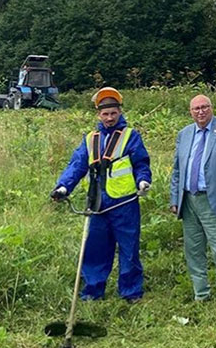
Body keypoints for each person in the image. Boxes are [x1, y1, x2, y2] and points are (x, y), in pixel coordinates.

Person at [50, 87, 151, 303]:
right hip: (97, 202)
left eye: (113, 113)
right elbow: (76, 166)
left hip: (125, 203)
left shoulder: (130, 137)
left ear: (119, 112)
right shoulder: (90, 140)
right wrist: (63, 187)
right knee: (95, 248)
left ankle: (131, 291)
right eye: (105, 114)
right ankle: (93, 290)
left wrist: (144, 180)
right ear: (98, 115)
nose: (110, 118)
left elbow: (141, 163)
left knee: (128, 249)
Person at [170, 94, 216, 304]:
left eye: (205, 107)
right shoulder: (184, 134)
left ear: (212, 108)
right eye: (196, 109)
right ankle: (201, 294)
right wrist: (175, 199)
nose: (201, 111)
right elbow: (177, 170)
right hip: (189, 201)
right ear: (190, 112)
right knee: (193, 250)